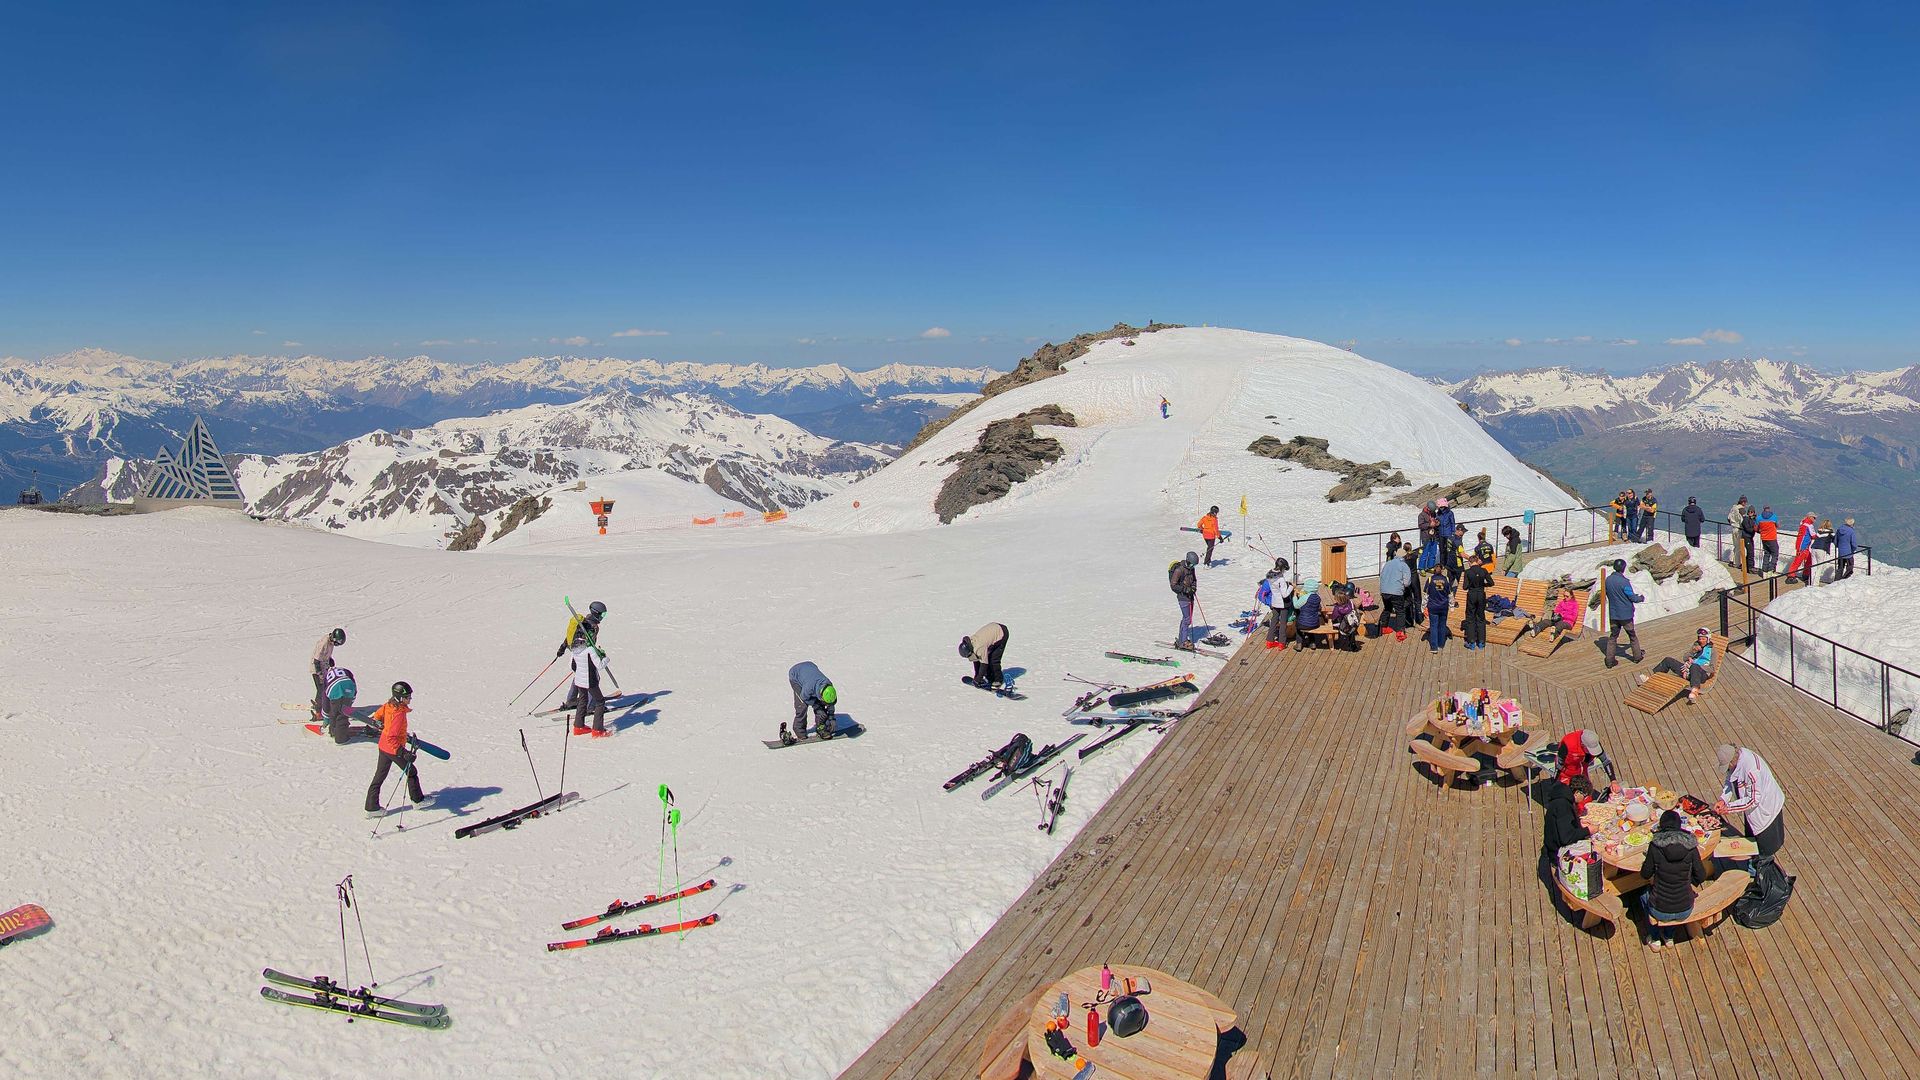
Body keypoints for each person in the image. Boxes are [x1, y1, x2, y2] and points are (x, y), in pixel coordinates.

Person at [1641, 809, 1707, 948]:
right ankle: (1668, 936)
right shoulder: (1690, 846)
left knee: (1642, 894)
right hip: (1685, 908)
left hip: (1660, 909)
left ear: (1661, 826)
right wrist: (1687, 881)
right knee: (1676, 897)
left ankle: (1655, 938)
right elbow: (1701, 875)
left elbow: (1645, 874)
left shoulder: (1655, 846)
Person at [364, 682, 427, 815]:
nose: (410, 699)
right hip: (393, 748)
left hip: (383, 746)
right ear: (400, 698)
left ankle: (371, 807)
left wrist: (378, 722)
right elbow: (391, 737)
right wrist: (403, 753)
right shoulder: (398, 714)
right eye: (407, 697)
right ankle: (418, 800)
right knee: (411, 771)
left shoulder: (389, 705)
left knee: (379, 776)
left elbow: (378, 715)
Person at [1715, 743, 1785, 859]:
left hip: (1765, 809)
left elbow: (1753, 800)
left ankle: (1762, 867)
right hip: (1751, 809)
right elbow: (1730, 779)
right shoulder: (1737, 761)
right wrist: (1723, 799)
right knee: (1751, 843)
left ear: (1732, 762)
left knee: (1764, 849)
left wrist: (1728, 808)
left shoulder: (1752, 770)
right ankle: (1754, 863)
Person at [1638, 627, 1715, 704]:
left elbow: (1712, 668)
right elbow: (1685, 658)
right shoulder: (1696, 645)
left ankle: (1694, 691)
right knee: (1668, 660)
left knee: (1695, 666)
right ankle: (1652, 678)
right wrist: (1693, 652)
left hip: (1701, 674)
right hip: (1688, 670)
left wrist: (1694, 666)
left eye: (1703, 639)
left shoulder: (1713, 651)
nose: (1701, 640)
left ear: (1708, 639)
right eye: (1700, 638)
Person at [1602, 559, 1646, 668]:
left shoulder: (1608, 580)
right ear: (1623, 568)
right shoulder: (1624, 582)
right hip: (1626, 615)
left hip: (1614, 614)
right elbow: (1632, 597)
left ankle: (1609, 660)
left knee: (1613, 637)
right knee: (1632, 635)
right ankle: (1637, 656)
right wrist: (1640, 598)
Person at [568, 629, 612, 737]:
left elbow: (572, 666)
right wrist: (605, 658)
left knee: (582, 700)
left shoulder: (574, 650)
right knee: (600, 701)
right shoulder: (590, 650)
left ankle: (578, 727)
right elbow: (600, 665)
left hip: (579, 681)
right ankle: (597, 730)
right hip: (590, 681)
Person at [787, 661, 839, 741]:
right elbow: (804, 697)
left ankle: (821, 728)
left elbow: (830, 704)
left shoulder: (829, 687)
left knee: (820, 706)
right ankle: (799, 730)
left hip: (810, 668)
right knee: (802, 706)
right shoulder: (809, 688)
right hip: (795, 675)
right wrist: (816, 706)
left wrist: (831, 718)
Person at [959, 622, 1010, 689]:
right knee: (987, 657)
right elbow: (976, 660)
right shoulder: (971, 642)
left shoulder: (979, 647)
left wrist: (978, 679)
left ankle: (998, 680)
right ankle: (990, 678)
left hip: (1002, 632)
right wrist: (977, 676)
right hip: (993, 629)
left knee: (993, 660)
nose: (969, 657)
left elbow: (984, 664)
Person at [1255, 563, 1294, 650]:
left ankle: (1269, 641)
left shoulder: (1270, 577)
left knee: (1273, 621)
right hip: (1283, 604)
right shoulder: (1281, 579)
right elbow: (1284, 594)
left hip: (1274, 602)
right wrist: (1291, 587)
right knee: (1283, 623)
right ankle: (1282, 643)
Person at [1376, 549, 1411, 641]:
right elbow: (1407, 582)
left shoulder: (1387, 563)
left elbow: (1381, 576)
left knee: (1387, 608)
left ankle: (1383, 627)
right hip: (1396, 592)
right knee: (1400, 611)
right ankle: (1400, 632)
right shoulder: (1404, 565)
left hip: (1384, 591)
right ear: (1404, 556)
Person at [312, 628, 346, 718]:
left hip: (324, 667)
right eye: (337, 643)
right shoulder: (324, 643)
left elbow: (326, 654)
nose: (337, 645)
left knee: (326, 688)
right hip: (317, 669)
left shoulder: (330, 642)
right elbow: (316, 660)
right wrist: (320, 674)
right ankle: (318, 712)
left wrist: (330, 661)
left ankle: (320, 704)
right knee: (321, 690)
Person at [1168, 551, 1199, 650]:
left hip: (1190, 596)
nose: (1193, 566)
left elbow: (1194, 580)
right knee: (1187, 619)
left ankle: (1182, 639)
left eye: (1194, 565)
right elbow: (1173, 585)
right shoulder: (1179, 570)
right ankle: (1183, 641)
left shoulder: (1191, 569)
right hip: (1182, 597)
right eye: (1192, 564)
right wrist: (1185, 589)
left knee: (1186, 619)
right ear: (1187, 561)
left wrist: (1193, 588)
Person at [319, 665, 358, 744]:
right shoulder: (345, 670)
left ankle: (340, 738)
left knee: (336, 713)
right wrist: (350, 701)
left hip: (335, 689)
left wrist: (326, 717)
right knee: (343, 712)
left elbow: (325, 699)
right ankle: (337, 731)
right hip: (349, 687)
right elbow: (353, 681)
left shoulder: (327, 676)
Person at [1461, 558, 1493, 650]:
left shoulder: (1468, 572)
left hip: (1472, 595)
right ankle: (1481, 642)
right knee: (1481, 618)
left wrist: (1471, 584)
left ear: (1470, 562)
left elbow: (1465, 587)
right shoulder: (1483, 570)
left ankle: (1471, 642)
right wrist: (1483, 585)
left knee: (1470, 618)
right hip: (1481, 595)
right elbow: (1491, 583)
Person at [1784, 513, 1817, 585]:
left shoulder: (1803, 524)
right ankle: (1792, 576)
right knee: (1799, 561)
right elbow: (1813, 535)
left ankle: (1804, 574)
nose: (1815, 519)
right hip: (1803, 547)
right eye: (1814, 518)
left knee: (1807, 560)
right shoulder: (1809, 525)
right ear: (1810, 517)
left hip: (1801, 546)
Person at [1424, 572, 1451, 653]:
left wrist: (1423, 607)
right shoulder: (1446, 579)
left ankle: (1434, 647)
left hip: (1433, 606)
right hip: (1443, 606)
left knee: (1433, 626)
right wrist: (1452, 605)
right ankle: (1441, 644)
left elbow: (1426, 595)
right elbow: (1450, 593)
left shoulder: (1430, 580)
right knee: (1442, 625)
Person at [1328, 588, 1360, 652]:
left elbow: (1334, 617)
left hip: (1342, 626)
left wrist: (1328, 618)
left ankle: (1340, 640)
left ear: (1337, 599)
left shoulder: (1337, 608)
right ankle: (1352, 644)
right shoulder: (1350, 603)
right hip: (1352, 624)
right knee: (1351, 629)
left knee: (1330, 621)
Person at [1435, 498, 1458, 569]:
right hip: (1441, 534)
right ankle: (1442, 564)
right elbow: (1437, 523)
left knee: (1448, 550)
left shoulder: (1450, 513)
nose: (1441, 508)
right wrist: (1436, 524)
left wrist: (1453, 533)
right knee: (1442, 550)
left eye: (1442, 507)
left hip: (1448, 534)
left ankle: (1448, 564)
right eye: (1440, 507)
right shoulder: (1438, 513)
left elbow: (1452, 523)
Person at [1756, 506, 1780, 573]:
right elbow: (1778, 526)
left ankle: (1764, 570)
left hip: (1764, 538)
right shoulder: (1774, 517)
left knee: (1767, 553)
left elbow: (1756, 528)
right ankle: (1771, 569)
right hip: (1772, 538)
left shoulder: (1759, 518)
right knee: (1775, 553)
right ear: (1769, 509)